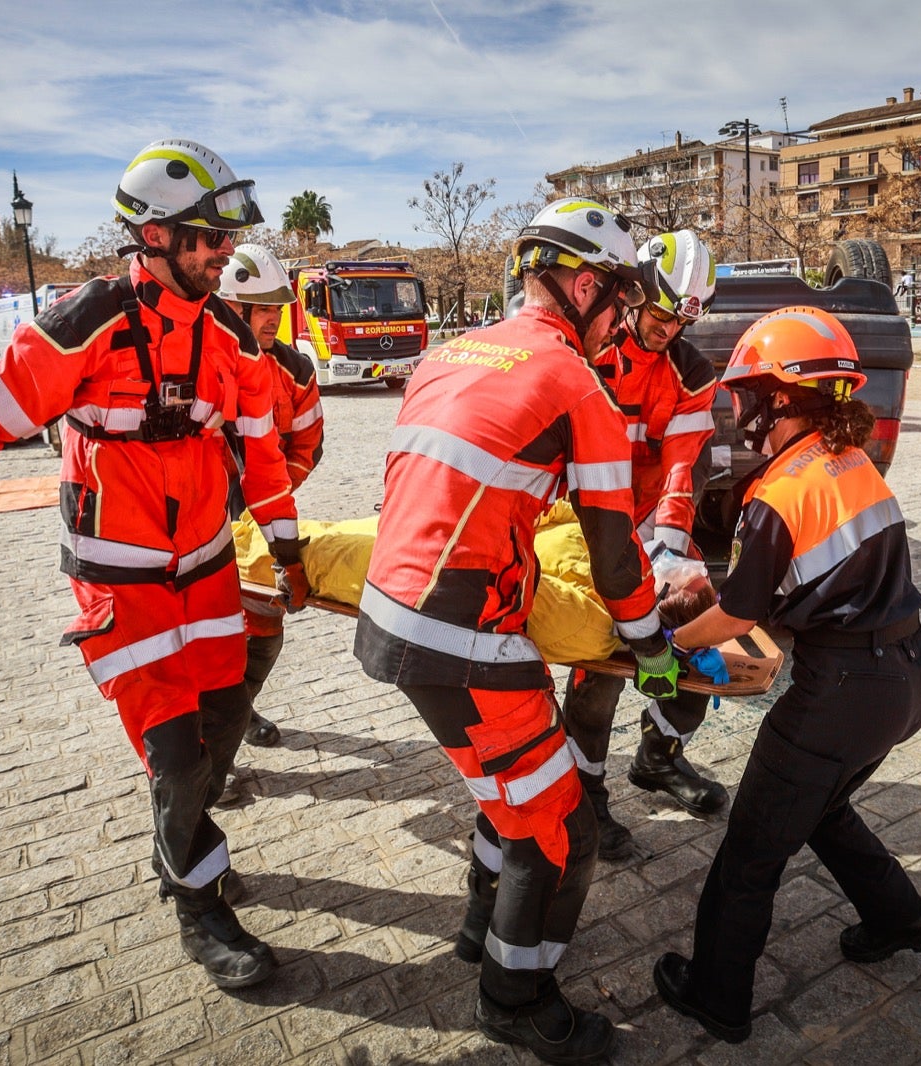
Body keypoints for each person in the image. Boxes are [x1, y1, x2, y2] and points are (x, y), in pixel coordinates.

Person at [0, 139, 302, 991]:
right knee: (176, 754)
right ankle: (199, 905)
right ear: (152, 237)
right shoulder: (86, 325)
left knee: (224, 724)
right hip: (119, 584)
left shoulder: (228, 333)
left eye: (223, 238)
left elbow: (263, 448)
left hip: (203, 573)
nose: (222, 252)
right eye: (206, 237)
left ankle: (185, 843)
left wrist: (288, 542)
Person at [354, 197, 680, 1063]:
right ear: (582, 286)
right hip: (461, 637)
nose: (624, 322)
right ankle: (516, 997)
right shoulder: (580, 384)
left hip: (394, 614)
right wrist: (652, 653)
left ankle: (477, 926)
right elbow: (618, 565)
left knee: (511, 791)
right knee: (560, 827)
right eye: (620, 301)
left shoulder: (450, 352)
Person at [652, 306, 921, 1044]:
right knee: (820, 809)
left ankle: (716, 995)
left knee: (751, 849)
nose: (740, 409)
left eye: (748, 395)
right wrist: (715, 593)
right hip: (909, 678)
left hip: (841, 693)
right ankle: (902, 918)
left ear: (782, 400)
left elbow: (738, 615)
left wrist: (664, 643)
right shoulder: (852, 465)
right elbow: (790, 582)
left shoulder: (778, 492)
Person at [561, 229, 724, 860]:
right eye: (661, 313)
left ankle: (659, 757)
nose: (668, 329)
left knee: (691, 634)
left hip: (651, 521)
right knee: (600, 666)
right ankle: (587, 798)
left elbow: (683, 465)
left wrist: (674, 552)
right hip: (582, 524)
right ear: (636, 294)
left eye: (683, 318)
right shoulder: (585, 353)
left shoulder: (690, 371)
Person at [215, 244, 325, 748]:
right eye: (262, 310)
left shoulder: (296, 371)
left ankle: (235, 714)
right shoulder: (199, 366)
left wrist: (271, 498)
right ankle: (211, 750)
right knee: (208, 641)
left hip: (261, 525)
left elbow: (308, 444)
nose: (274, 321)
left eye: (279, 309)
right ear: (229, 309)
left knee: (263, 630)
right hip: (195, 524)